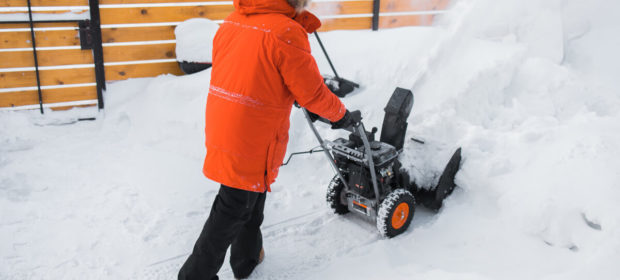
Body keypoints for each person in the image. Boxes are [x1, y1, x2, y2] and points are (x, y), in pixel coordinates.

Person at [177, 0, 357, 278]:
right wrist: (341, 116)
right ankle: (194, 275)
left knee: (252, 193)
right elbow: (313, 94)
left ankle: (247, 258)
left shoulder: (235, 19)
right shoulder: (285, 32)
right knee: (233, 206)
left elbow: (252, 70)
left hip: (225, 119)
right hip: (252, 131)